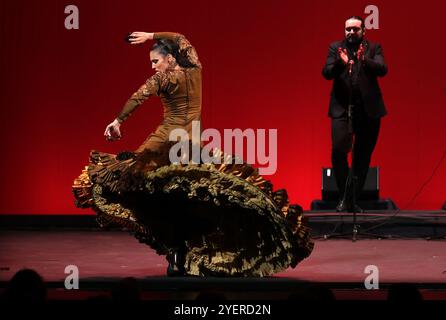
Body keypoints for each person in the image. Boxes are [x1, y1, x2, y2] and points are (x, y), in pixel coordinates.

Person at [73, 31, 313, 277]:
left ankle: (177, 253)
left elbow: (138, 97)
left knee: (137, 187)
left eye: (155, 61)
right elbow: (181, 38)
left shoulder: (162, 80)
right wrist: (151, 35)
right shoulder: (195, 69)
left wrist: (118, 121)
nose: (154, 67)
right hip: (191, 144)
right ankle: (182, 253)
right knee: (184, 198)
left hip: (165, 143)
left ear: (169, 59)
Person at [322, 16, 387, 212]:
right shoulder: (336, 48)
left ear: (363, 31)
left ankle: (352, 200)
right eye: (347, 29)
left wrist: (364, 59)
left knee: (362, 156)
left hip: (368, 111)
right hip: (342, 109)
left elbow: (383, 69)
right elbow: (326, 72)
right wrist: (342, 64)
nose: (351, 33)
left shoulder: (373, 48)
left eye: (355, 29)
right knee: (339, 153)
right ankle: (343, 196)